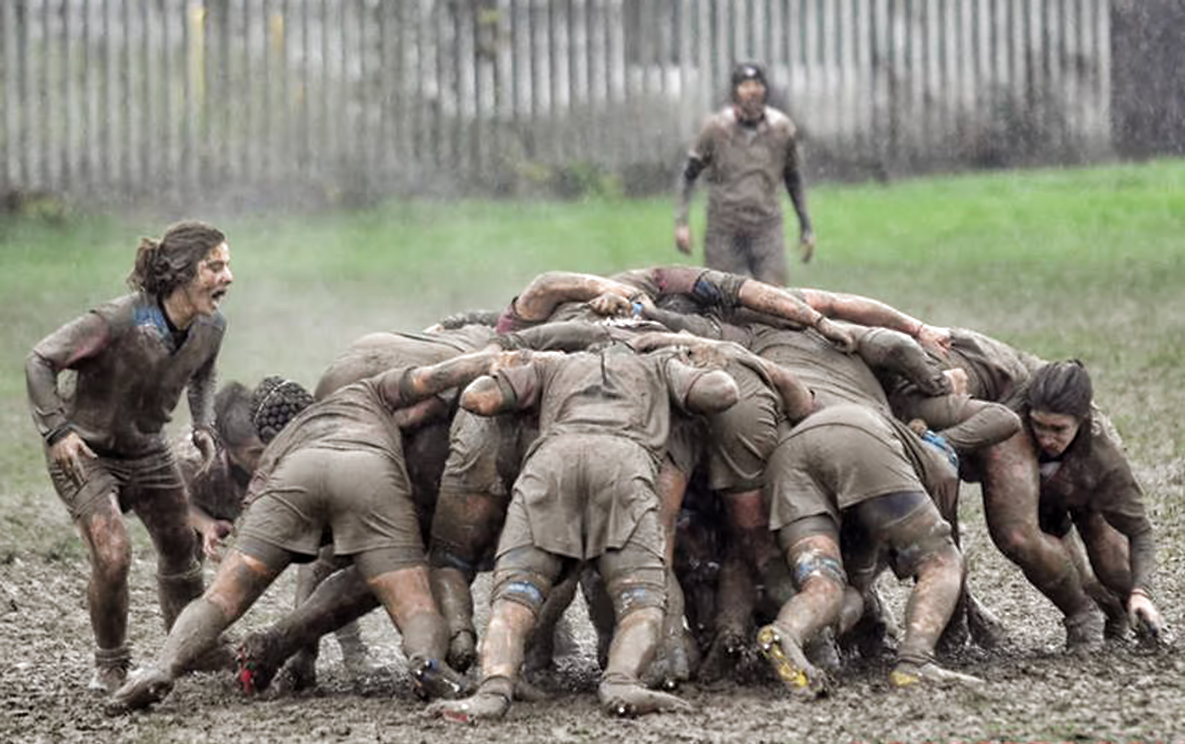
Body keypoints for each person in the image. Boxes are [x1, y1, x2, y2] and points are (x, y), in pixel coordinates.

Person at [107, 349, 515, 713]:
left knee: (220, 600)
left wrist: (248, 535)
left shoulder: (280, 444)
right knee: (417, 609)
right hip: (369, 474)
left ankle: (161, 667)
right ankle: (427, 663)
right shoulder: (368, 393)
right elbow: (430, 379)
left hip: (294, 476)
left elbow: (257, 495)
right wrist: (485, 360)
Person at [429, 344, 740, 722]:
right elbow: (722, 392)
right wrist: (691, 362)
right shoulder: (659, 365)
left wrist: (508, 365)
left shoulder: (553, 366)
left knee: (513, 599)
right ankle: (621, 681)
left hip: (550, 466)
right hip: (623, 468)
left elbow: (477, 398)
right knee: (641, 603)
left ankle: (493, 689)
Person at [25, 221, 233, 694]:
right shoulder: (116, 321)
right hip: (86, 454)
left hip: (148, 449)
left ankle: (191, 646)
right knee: (114, 554)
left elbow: (203, 375)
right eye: (215, 266)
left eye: (228, 265)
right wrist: (57, 430)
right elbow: (40, 360)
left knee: (182, 545)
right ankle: (111, 665)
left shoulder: (210, 326)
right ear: (181, 272)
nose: (228, 276)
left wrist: (203, 424)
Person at [675, 61, 814, 285]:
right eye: (745, 85)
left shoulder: (781, 129)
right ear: (734, 92)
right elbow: (689, 173)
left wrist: (805, 225)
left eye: (757, 85)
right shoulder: (716, 129)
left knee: (776, 299)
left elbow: (793, 178)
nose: (752, 91)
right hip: (725, 228)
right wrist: (681, 222)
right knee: (721, 297)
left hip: (766, 227)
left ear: (765, 90)